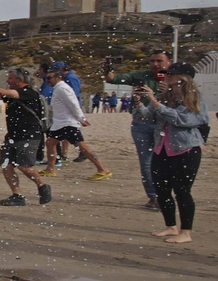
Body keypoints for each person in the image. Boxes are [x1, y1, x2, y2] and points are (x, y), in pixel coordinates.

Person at [140, 64, 208, 244]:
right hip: (162, 148)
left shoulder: (194, 98)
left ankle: (186, 231)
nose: (167, 76)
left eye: (171, 74)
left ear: (183, 77)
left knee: (182, 190)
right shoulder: (166, 96)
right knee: (161, 189)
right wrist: (140, 103)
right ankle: (171, 226)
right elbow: (147, 118)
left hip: (185, 149)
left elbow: (182, 119)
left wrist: (155, 103)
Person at [0, 69, 51, 207]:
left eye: (11, 78)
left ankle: (42, 186)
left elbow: (2, 91)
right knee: (6, 164)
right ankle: (17, 195)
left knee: (24, 166)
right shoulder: (13, 95)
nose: (8, 81)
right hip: (12, 136)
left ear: (20, 80)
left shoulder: (28, 93)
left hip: (28, 136)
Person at [114, 50, 175, 210]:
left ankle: (167, 195)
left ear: (170, 61)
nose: (155, 64)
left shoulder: (177, 77)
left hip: (165, 125)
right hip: (142, 123)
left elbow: (187, 103)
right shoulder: (143, 76)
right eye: (152, 61)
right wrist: (108, 72)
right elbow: (114, 79)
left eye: (159, 61)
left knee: (166, 162)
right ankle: (154, 197)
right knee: (147, 163)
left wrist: (169, 89)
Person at [40, 65, 112, 180]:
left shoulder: (63, 88)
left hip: (67, 123)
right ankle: (50, 168)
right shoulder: (58, 88)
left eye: (49, 78)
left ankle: (102, 169)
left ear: (58, 77)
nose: (47, 80)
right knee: (50, 143)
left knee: (83, 147)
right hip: (59, 124)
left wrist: (82, 119)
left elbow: (73, 104)